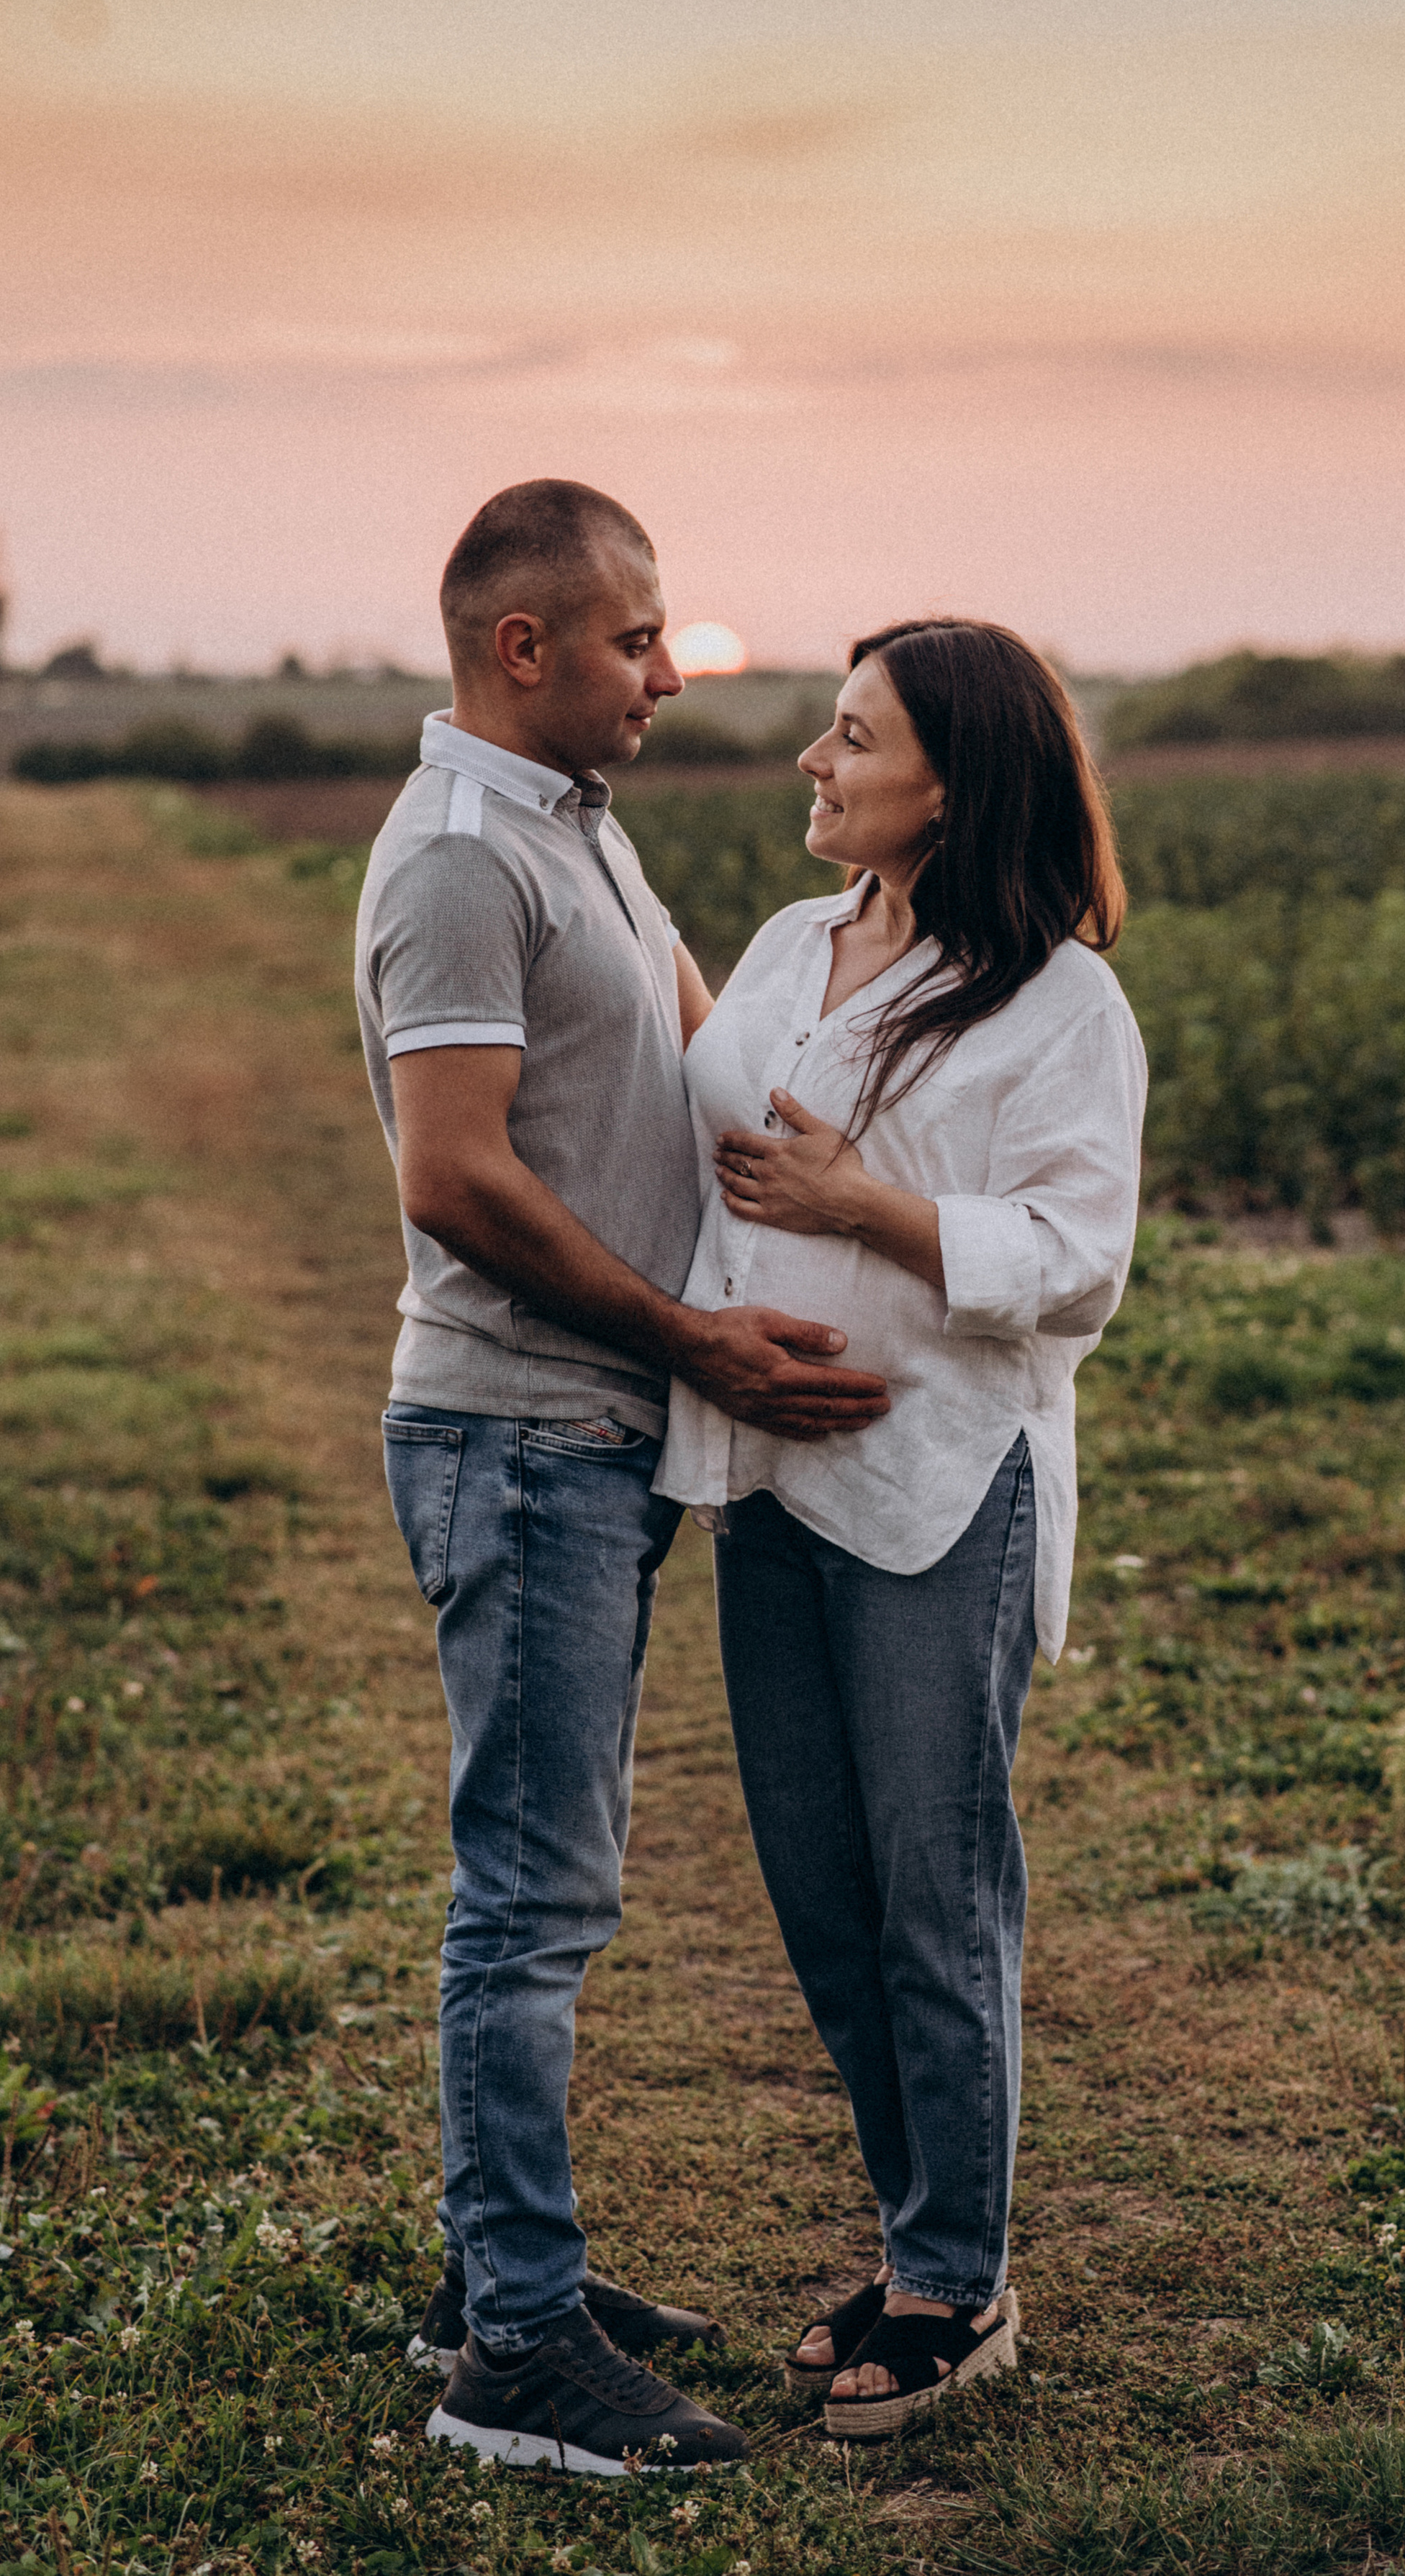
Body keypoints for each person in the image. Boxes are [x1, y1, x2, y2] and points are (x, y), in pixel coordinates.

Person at [353, 480, 890, 2477]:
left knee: (546, 1878)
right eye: (636, 637)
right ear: (525, 646)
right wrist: (692, 1339)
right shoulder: (455, 857)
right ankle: (514, 2359)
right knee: (534, 1895)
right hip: (521, 1431)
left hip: (589, 1433)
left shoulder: (576, 827)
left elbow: (713, 1055)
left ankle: (504, 2275)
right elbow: (454, 1176)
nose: (669, 671)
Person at [655, 617, 1147, 2439]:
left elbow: (1079, 1258)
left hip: (935, 1482)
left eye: (852, 738)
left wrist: (864, 1207)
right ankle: (908, 2230)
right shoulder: (792, 946)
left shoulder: (1057, 1003)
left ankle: (957, 2274)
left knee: (935, 1889)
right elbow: (704, 1128)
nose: (814, 760)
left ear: (953, 782)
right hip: (765, 1473)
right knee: (821, 1889)